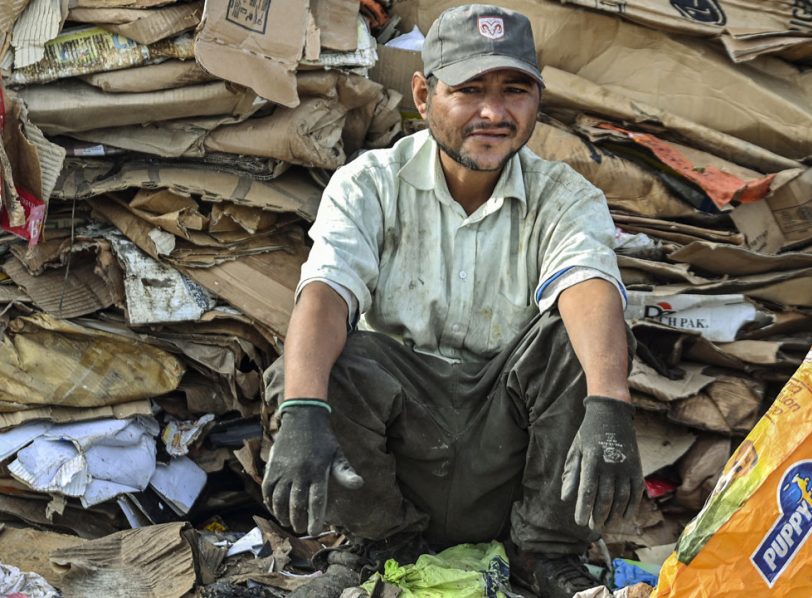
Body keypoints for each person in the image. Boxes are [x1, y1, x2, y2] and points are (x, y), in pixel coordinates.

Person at [261, 5, 643, 597]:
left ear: (537, 99)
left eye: (514, 90)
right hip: (400, 459)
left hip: (504, 457)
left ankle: (543, 552)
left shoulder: (565, 196)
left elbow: (588, 284)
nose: (493, 112)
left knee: (583, 343)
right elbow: (326, 293)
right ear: (423, 95)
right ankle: (379, 543)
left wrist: (610, 407)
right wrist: (305, 411)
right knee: (311, 369)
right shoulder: (370, 184)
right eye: (469, 90)